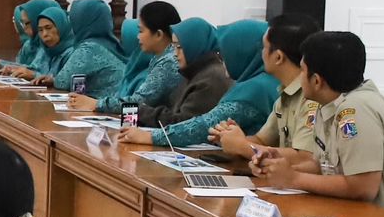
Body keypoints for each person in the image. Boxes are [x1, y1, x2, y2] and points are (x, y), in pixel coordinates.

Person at [250, 31, 384, 217]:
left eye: (302, 70)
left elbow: (363, 186)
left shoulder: (356, 110)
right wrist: (280, 167)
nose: (299, 77)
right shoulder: (329, 106)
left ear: (316, 81)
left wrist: (294, 178)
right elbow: (323, 166)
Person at [118, 19, 279, 148]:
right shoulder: (257, 83)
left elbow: (204, 125)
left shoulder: (255, 88)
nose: (222, 59)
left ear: (240, 53)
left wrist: (150, 137)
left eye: (226, 52)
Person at [210, 13, 321, 159]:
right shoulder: (285, 93)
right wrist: (231, 138)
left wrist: (242, 146)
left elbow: (304, 157)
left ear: (278, 57)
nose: (261, 53)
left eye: (264, 47)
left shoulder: (312, 97)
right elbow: (261, 140)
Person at [70, 1, 183, 115]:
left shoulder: (169, 62)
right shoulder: (161, 57)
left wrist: (96, 104)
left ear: (158, 34)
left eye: (141, 31)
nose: (138, 37)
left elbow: (138, 103)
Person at [130, 17, 229, 130]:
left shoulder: (211, 78)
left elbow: (183, 124)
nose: (175, 53)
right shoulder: (193, 72)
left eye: (179, 47)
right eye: (174, 47)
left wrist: (142, 112)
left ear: (194, 45)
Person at [34, 0, 124, 102]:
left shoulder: (89, 48)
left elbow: (62, 82)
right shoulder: (111, 43)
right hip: (117, 105)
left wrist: (54, 80)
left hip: (107, 106)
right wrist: (53, 80)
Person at [0, 0, 57, 77]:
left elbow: (37, 71)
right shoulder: (29, 44)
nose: (24, 28)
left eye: (27, 23)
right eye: (22, 23)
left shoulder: (49, 43)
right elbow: (19, 67)